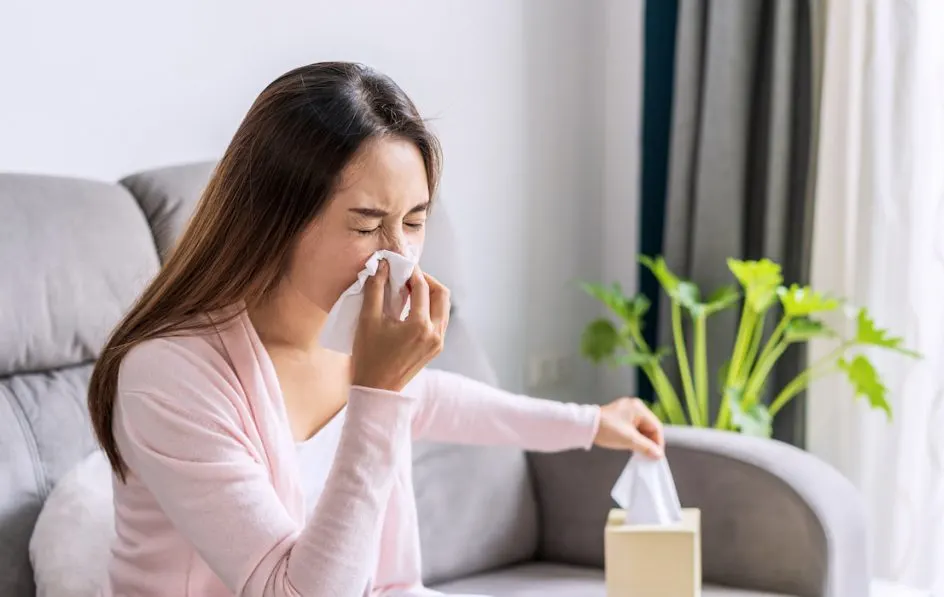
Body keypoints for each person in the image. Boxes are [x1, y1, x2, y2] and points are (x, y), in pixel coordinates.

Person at [87, 61, 664, 597]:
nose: (397, 257)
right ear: (274, 220)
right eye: (366, 227)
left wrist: (591, 422)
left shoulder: (343, 335)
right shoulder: (168, 375)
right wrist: (377, 393)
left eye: (414, 222)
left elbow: (438, 400)